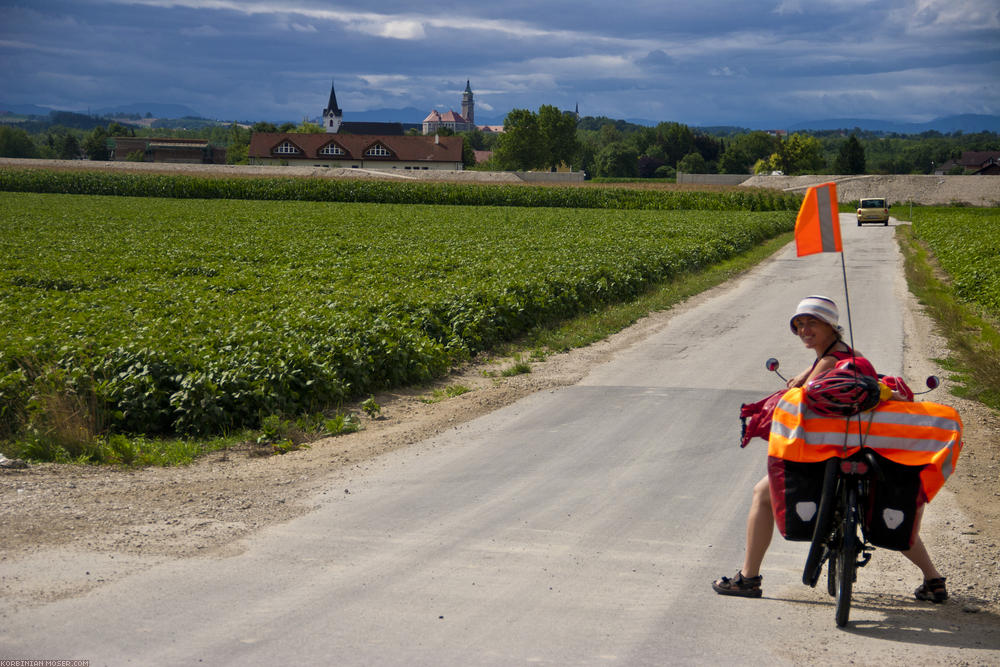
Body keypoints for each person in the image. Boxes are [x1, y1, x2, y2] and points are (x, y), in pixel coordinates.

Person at [712, 295, 947, 602]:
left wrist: (798, 383)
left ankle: (748, 578)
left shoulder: (825, 362)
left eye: (813, 323)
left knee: (761, 494)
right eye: (799, 325)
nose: (804, 330)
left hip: (824, 454)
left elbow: (803, 400)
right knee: (878, 507)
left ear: (832, 327)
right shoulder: (855, 356)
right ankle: (933, 580)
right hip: (865, 452)